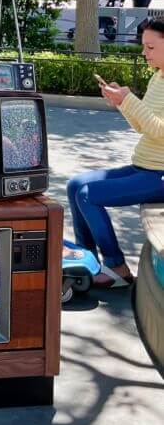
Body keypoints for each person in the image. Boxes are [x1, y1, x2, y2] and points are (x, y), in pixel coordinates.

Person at [66, 18, 164, 287]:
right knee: (75, 184)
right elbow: (142, 126)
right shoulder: (158, 77)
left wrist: (129, 99)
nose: (144, 53)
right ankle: (86, 260)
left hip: (159, 174)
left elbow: (160, 131)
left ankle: (116, 265)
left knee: (88, 195)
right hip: (144, 166)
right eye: (143, 46)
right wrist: (121, 103)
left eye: (150, 47)